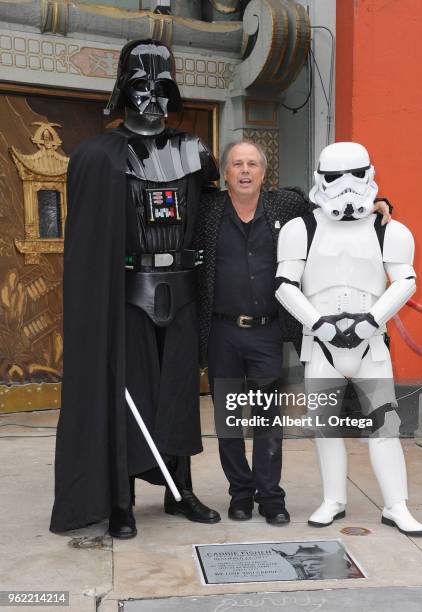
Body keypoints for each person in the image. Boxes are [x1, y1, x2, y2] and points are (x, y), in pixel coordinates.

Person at [50, 39, 220, 539]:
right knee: (130, 393)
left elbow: (215, 213)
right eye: (141, 86)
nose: (152, 97)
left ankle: (179, 490)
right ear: (123, 90)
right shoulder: (98, 155)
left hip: (183, 290)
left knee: (179, 396)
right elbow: (88, 239)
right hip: (126, 293)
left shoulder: (194, 152)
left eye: (162, 86)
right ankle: (120, 498)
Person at [195, 140, 392, 525]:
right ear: (226, 172)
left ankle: (270, 497)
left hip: (268, 332)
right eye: (237, 164)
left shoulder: (286, 206)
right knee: (229, 419)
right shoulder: (208, 211)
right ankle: (240, 494)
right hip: (222, 332)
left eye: (253, 163)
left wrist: (376, 203)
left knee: (269, 420)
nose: (246, 171)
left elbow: (335, 208)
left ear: (265, 173)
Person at [275, 142, 422, 536]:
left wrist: (370, 321)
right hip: (320, 343)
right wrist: (320, 324)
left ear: (370, 174)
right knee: (325, 427)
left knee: (385, 426)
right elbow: (285, 285)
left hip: (371, 343)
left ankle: (396, 505)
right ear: (319, 179)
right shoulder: (300, 228)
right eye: (335, 177)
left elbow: (405, 281)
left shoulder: (389, 230)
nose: (345, 186)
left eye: (355, 175)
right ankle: (333, 499)